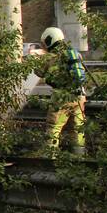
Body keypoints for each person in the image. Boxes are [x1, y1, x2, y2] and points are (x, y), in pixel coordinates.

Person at [37, 27, 88, 155]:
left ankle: (50, 156)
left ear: (50, 40)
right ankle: (79, 157)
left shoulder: (49, 58)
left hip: (61, 98)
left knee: (53, 127)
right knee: (78, 128)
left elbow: (38, 72)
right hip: (79, 96)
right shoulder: (74, 53)